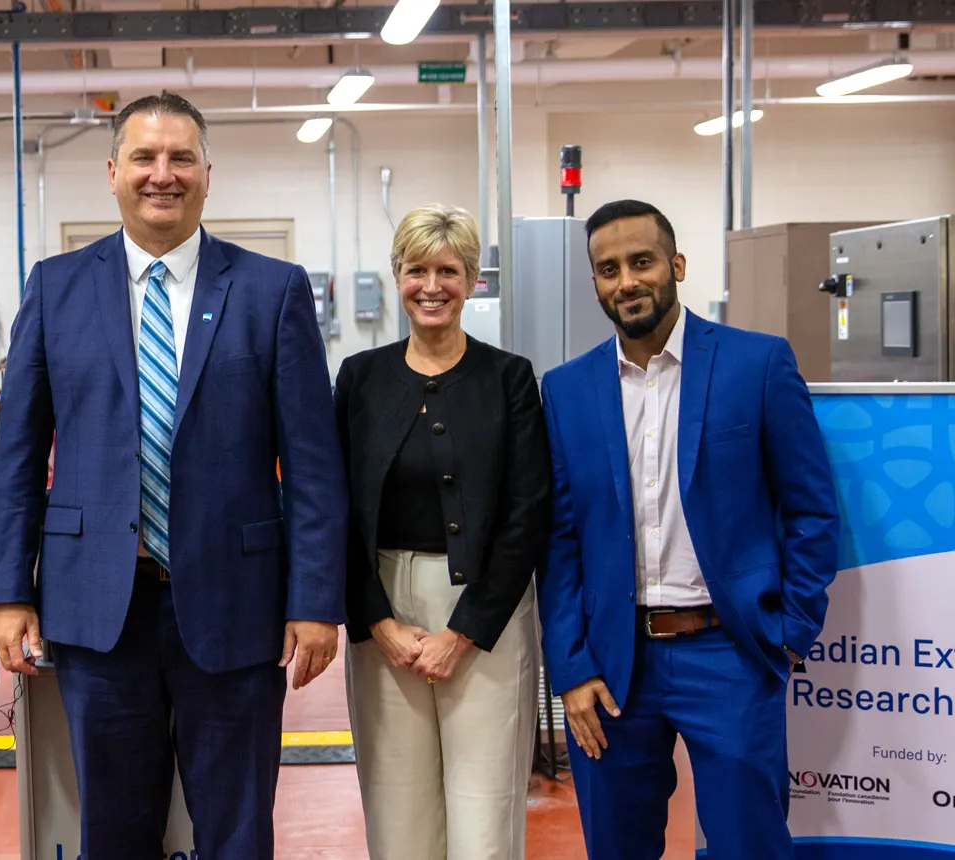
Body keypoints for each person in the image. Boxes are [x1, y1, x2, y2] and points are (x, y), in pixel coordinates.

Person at [0, 91, 348, 860]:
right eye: (144, 158)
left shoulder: (271, 291)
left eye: (181, 157)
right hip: (96, 608)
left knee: (237, 833)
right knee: (113, 834)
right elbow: (16, 456)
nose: (162, 174)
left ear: (208, 173)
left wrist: (316, 602)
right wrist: (9, 591)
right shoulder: (55, 287)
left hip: (236, 608)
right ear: (112, 172)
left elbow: (313, 467)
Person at [537, 199, 839, 860]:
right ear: (594, 283)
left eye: (641, 262)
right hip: (613, 670)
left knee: (748, 846)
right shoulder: (566, 390)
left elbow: (812, 510)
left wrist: (788, 633)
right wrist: (570, 664)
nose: (626, 281)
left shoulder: (756, 366)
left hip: (729, 652)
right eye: (607, 269)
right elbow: (560, 541)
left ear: (675, 265)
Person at [335, 204, 550, 860]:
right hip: (386, 610)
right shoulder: (360, 379)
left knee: (485, 809)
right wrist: (376, 619)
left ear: (472, 279)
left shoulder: (508, 377)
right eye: (417, 270)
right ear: (396, 276)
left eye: (448, 271)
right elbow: (333, 507)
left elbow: (527, 509)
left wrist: (466, 631)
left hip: (487, 610)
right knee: (397, 805)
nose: (432, 286)